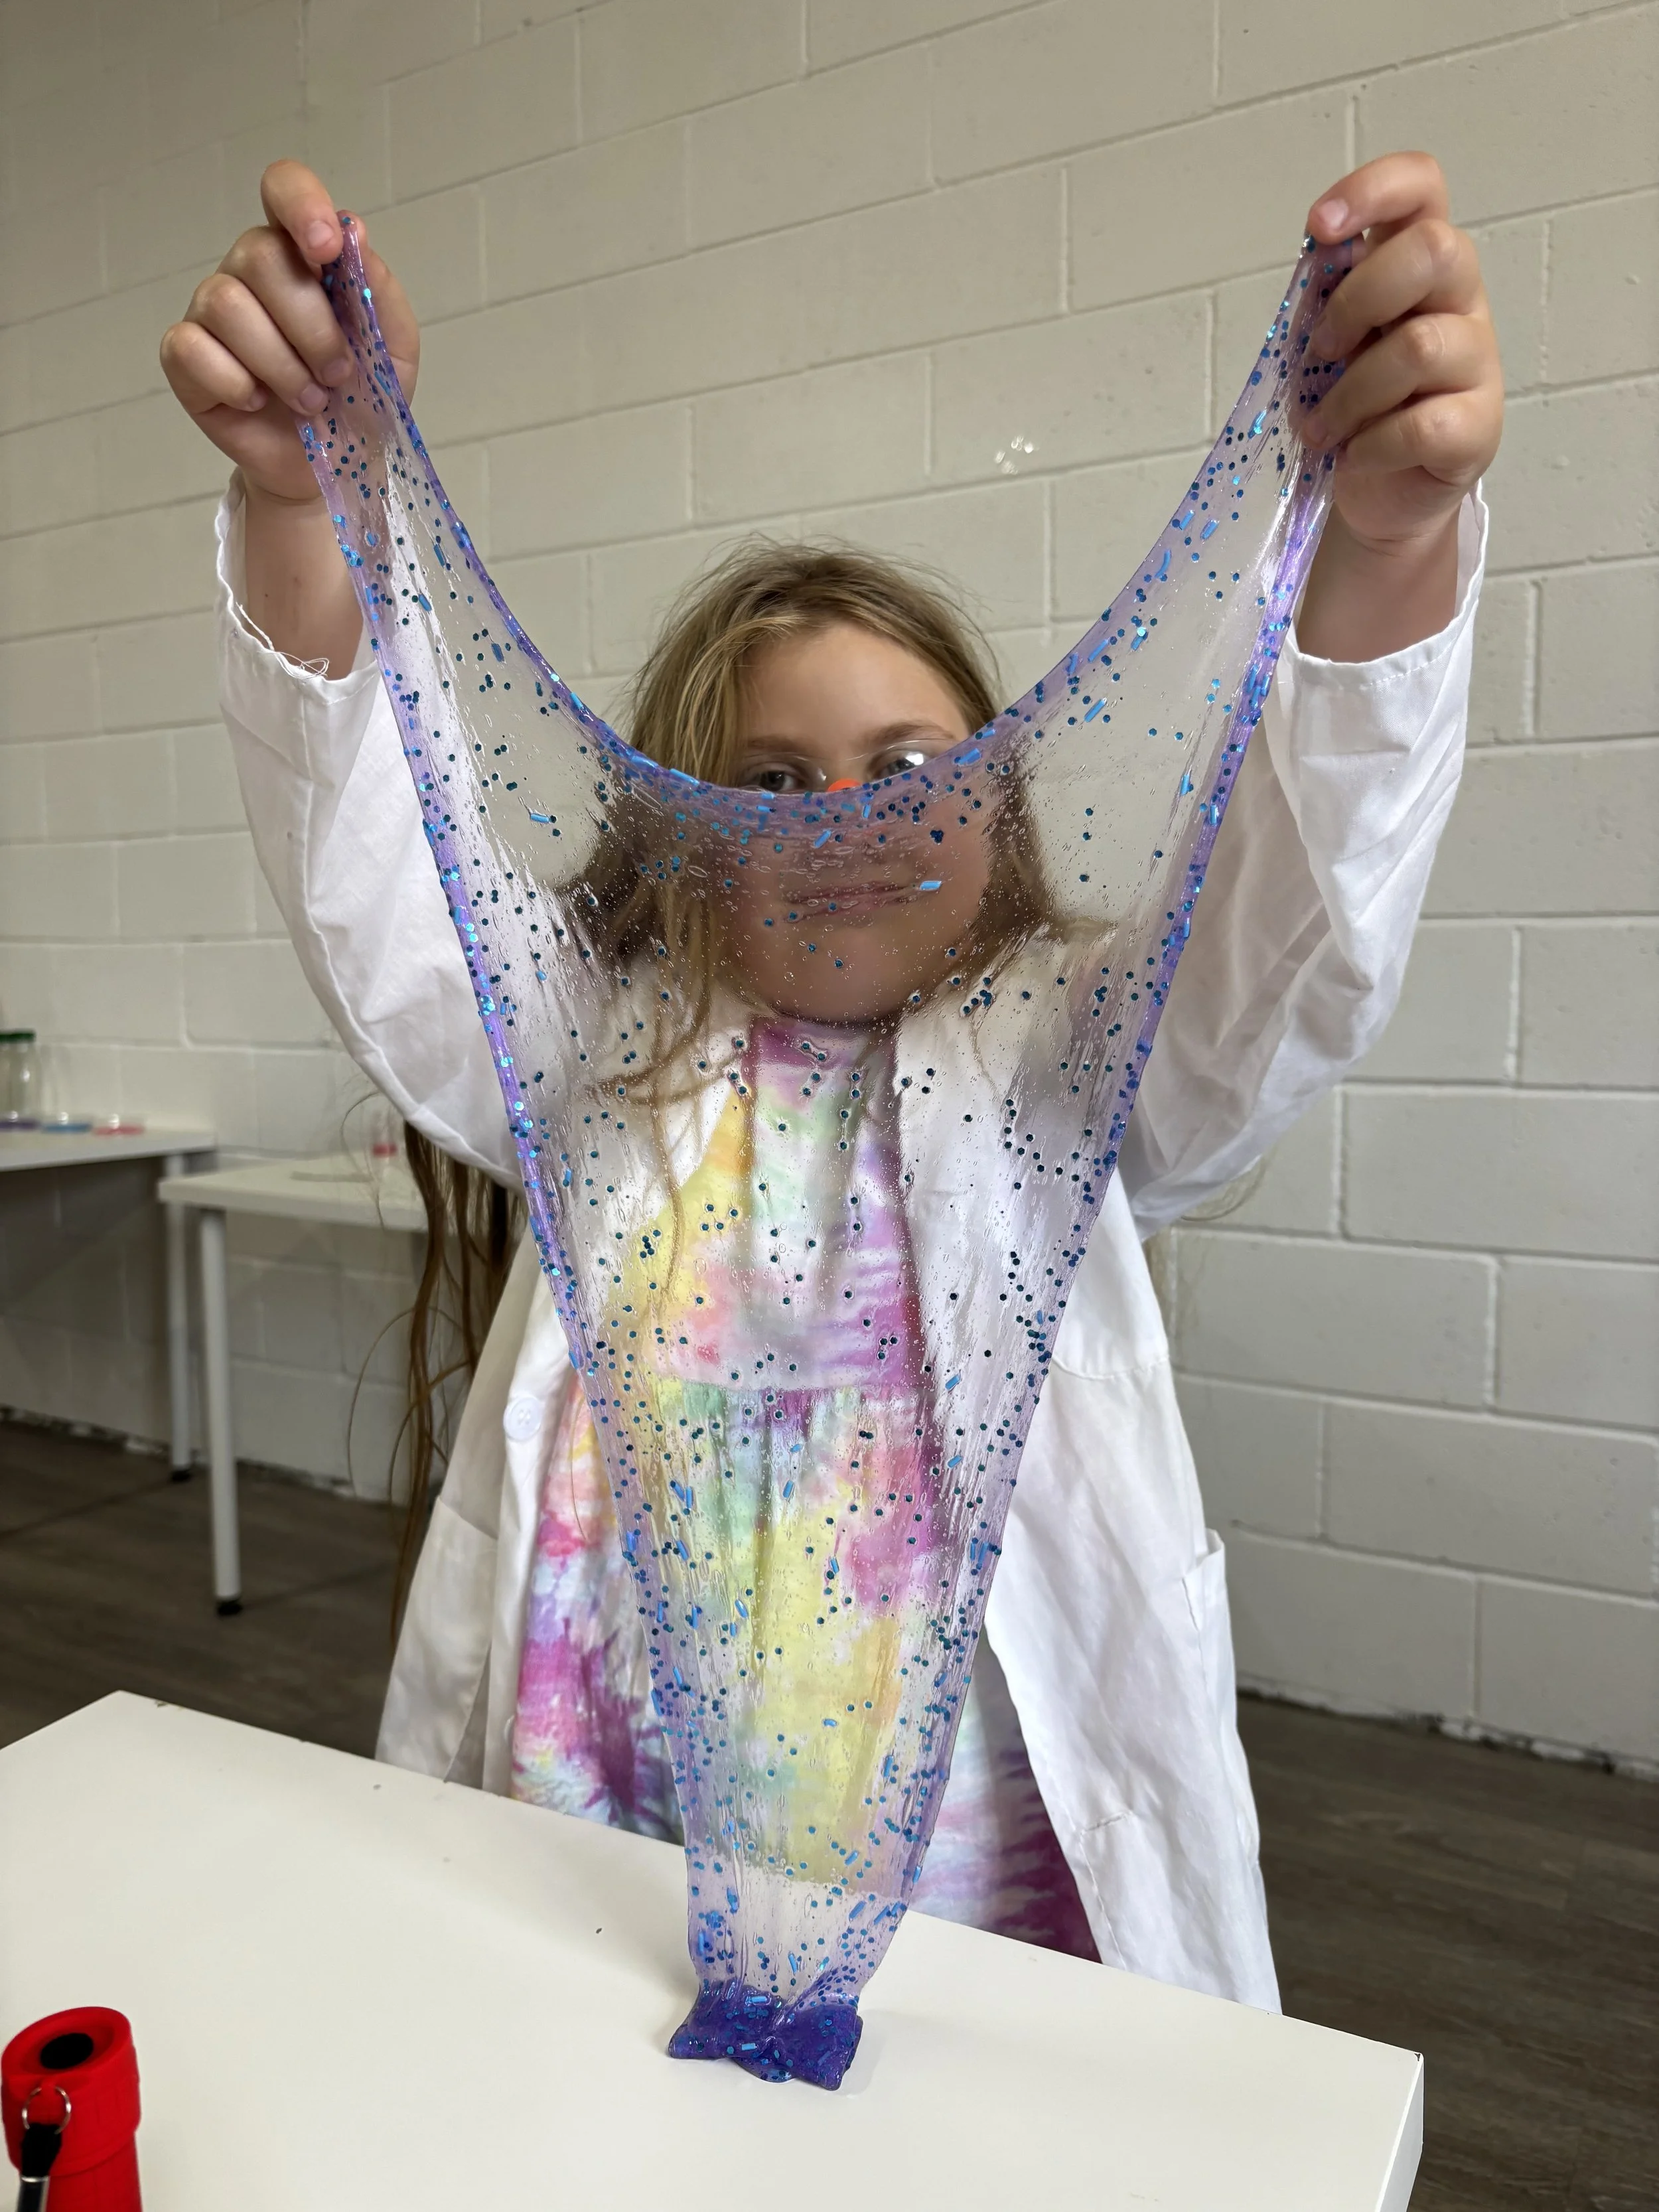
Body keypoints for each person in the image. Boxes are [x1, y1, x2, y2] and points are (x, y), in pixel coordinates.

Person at [163, 152, 1503, 2012]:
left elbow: (1290, 935)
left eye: (905, 761)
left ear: (998, 804)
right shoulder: (600, 1052)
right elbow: (382, 882)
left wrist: (1383, 543)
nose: (845, 818)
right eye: (770, 784)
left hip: (989, 1926)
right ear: (688, 839)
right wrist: (307, 500)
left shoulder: (1061, 1055)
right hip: (601, 1862)